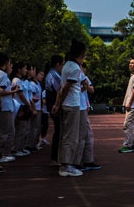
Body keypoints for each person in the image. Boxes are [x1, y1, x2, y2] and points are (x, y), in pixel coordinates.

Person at [52, 39, 87, 177]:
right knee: (71, 136)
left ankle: (65, 164)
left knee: (66, 135)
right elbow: (66, 88)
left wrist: (58, 103)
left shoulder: (67, 65)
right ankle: (66, 165)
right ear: (81, 54)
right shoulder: (74, 68)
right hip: (71, 105)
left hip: (68, 104)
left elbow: (62, 87)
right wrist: (58, 103)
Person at [74, 63, 100, 170]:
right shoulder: (74, 75)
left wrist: (86, 86)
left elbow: (91, 89)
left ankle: (87, 160)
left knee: (87, 134)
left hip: (83, 107)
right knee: (81, 135)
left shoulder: (84, 77)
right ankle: (78, 162)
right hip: (77, 107)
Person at [119, 58, 134, 153]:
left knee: (128, 124)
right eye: (130, 63)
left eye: (133, 63)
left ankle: (128, 145)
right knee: (133, 125)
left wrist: (129, 102)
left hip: (133, 104)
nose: (130, 65)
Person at [45, 55, 64, 165]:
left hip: (51, 105)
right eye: (62, 64)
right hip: (54, 106)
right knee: (59, 131)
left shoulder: (51, 74)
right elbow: (60, 91)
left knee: (58, 130)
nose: (63, 67)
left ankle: (55, 157)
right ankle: (55, 157)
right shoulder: (54, 76)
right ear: (57, 64)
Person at [11, 62, 32, 157]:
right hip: (21, 107)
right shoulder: (16, 80)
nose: (26, 70)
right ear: (18, 69)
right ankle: (15, 149)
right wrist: (28, 104)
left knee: (24, 129)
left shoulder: (22, 81)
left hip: (24, 106)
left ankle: (20, 147)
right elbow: (20, 94)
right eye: (24, 68)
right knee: (20, 129)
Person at [0, 53, 17, 166]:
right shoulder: (2, 75)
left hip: (7, 107)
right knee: (5, 132)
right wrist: (13, 92)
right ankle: (2, 155)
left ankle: (5, 154)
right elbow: (1, 91)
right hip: (5, 108)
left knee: (8, 131)